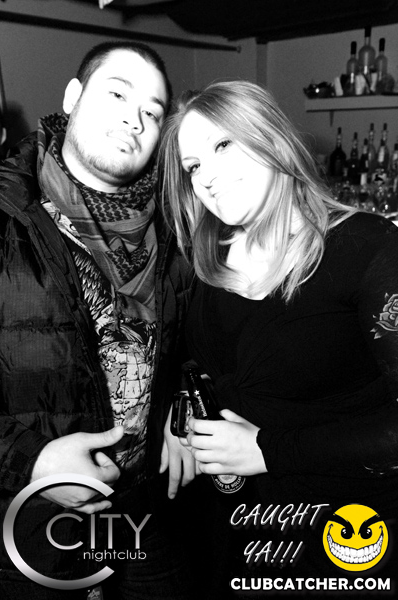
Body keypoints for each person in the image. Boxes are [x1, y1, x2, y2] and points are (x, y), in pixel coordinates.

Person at [159, 80, 398, 597]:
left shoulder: (367, 247)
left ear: (272, 137)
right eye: (193, 166)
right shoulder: (206, 259)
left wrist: (269, 450)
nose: (207, 177)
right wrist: (182, 410)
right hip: (234, 525)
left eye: (223, 145)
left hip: (344, 531)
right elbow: (200, 362)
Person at [0, 41, 196, 600]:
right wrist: (31, 464)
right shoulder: (6, 215)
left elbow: (193, 347)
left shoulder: (179, 227)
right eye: (117, 94)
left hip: (145, 512)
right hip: (26, 528)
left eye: (153, 111)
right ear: (72, 97)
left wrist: (185, 408)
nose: (135, 119)